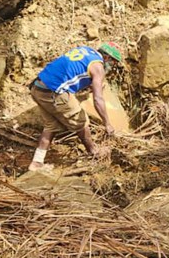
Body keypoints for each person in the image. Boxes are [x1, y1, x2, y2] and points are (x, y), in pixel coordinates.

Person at [28, 43, 123, 171]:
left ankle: (37, 162)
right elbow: (98, 99)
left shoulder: (85, 50)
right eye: (113, 63)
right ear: (107, 58)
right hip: (53, 92)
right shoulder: (98, 67)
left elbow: (71, 72)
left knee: (51, 126)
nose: (112, 67)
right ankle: (94, 151)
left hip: (37, 87)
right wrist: (107, 124)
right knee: (81, 121)